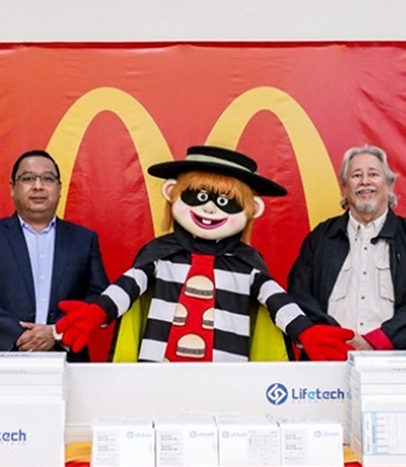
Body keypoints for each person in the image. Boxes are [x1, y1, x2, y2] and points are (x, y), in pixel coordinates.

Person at [56, 145, 353, 362]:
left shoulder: (247, 265)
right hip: (157, 374)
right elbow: (128, 287)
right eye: (198, 196)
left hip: (226, 376)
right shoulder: (160, 256)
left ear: (253, 210)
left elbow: (277, 302)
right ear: (172, 192)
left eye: (226, 201)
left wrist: (307, 332)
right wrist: (96, 312)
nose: (209, 208)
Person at [288, 144, 406, 352]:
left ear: (388, 185)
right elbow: (299, 294)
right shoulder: (321, 237)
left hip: (393, 360)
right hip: (329, 357)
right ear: (344, 187)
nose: (365, 181)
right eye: (356, 175)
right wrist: (336, 339)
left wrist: (377, 341)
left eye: (373, 174)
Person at [0, 149, 109, 361]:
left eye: (47, 179)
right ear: (13, 188)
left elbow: (99, 296)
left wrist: (56, 331)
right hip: (4, 357)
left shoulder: (83, 239)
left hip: (67, 359)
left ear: (59, 188)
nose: (38, 186)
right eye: (28, 178)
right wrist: (18, 335)